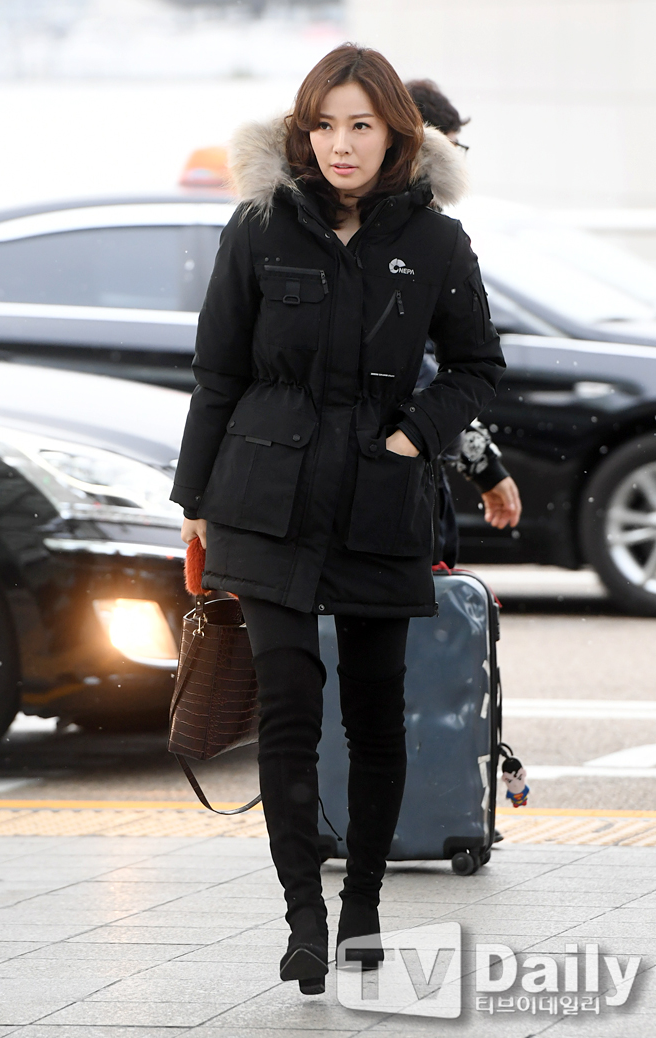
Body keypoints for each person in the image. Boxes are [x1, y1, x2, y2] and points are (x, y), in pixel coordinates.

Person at [171, 44, 505, 995]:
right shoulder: (259, 228)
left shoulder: (436, 242)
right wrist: (194, 502)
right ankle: (303, 920)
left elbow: (478, 367)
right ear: (302, 131)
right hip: (262, 500)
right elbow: (217, 374)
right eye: (324, 125)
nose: (341, 144)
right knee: (286, 707)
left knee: (373, 713)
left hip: (380, 504)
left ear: (396, 133)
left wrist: (412, 438)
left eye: (361, 125)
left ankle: (362, 905)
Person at [406, 78, 522, 563]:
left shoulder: (427, 233)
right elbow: (422, 371)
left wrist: (481, 461)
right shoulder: (413, 236)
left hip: (414, 465)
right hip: (404, 479)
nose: (457, 164)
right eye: (451, 149)